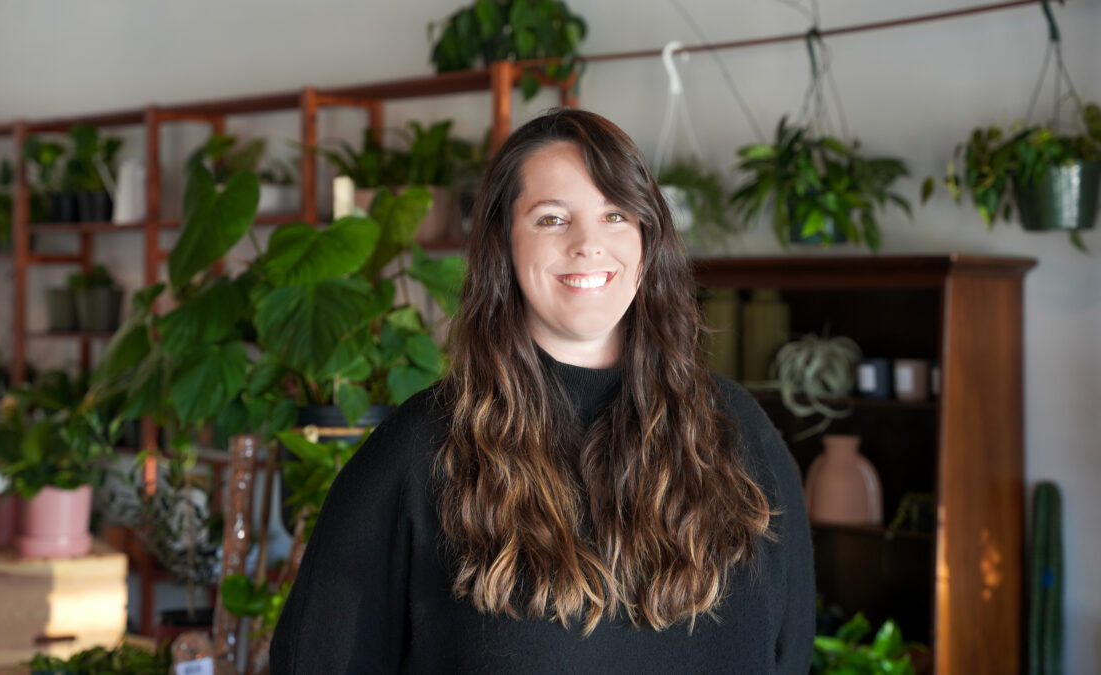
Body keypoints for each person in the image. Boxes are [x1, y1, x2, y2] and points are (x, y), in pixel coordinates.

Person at [270, 108, 814, 673]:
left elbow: (789, 651)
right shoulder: (420, 453)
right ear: (504, 243)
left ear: (648, 239)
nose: (588, 244)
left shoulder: (738, 434)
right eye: (552, 219)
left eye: (615, 214)